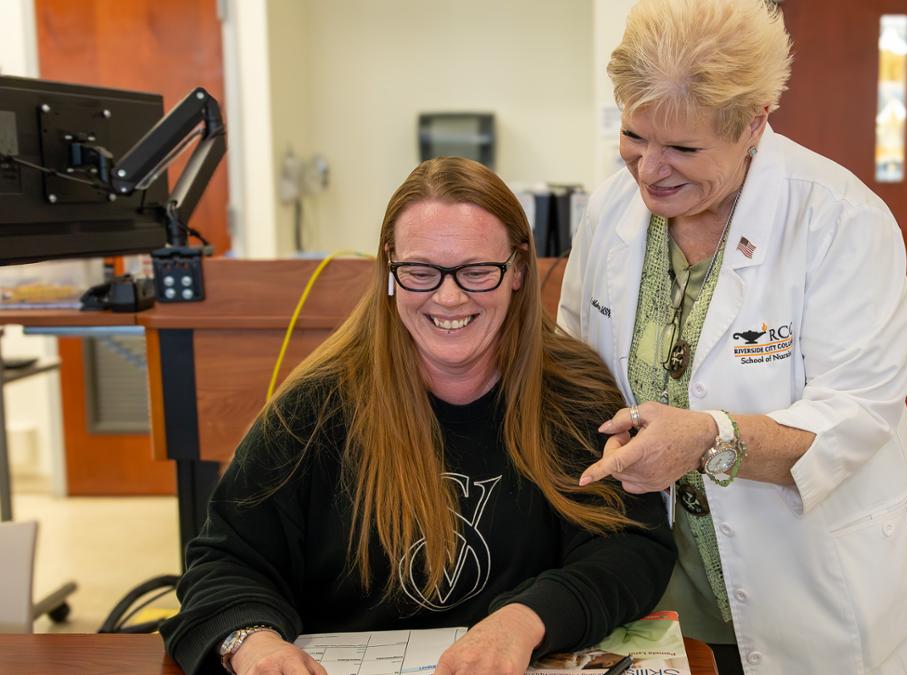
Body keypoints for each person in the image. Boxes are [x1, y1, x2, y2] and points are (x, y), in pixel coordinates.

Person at [160, 157, 675, 675]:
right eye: (421, 272)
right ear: (390, 270)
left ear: (518, 270)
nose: (449, 297)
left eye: (476, 271)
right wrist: (255, 646)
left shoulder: (574, 391)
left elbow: (630, 548)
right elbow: (225, 564)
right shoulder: (314, 408)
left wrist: (527, 619)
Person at [558, 0, 907, 673]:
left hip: (811, 581)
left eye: (682, 148)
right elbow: (575, 355)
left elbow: (854, 415)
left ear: (754, 122)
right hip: (658, 584)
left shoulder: (840, 220)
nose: (649, 169)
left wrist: (711, 436)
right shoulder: (613, 209)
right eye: (634, 136)